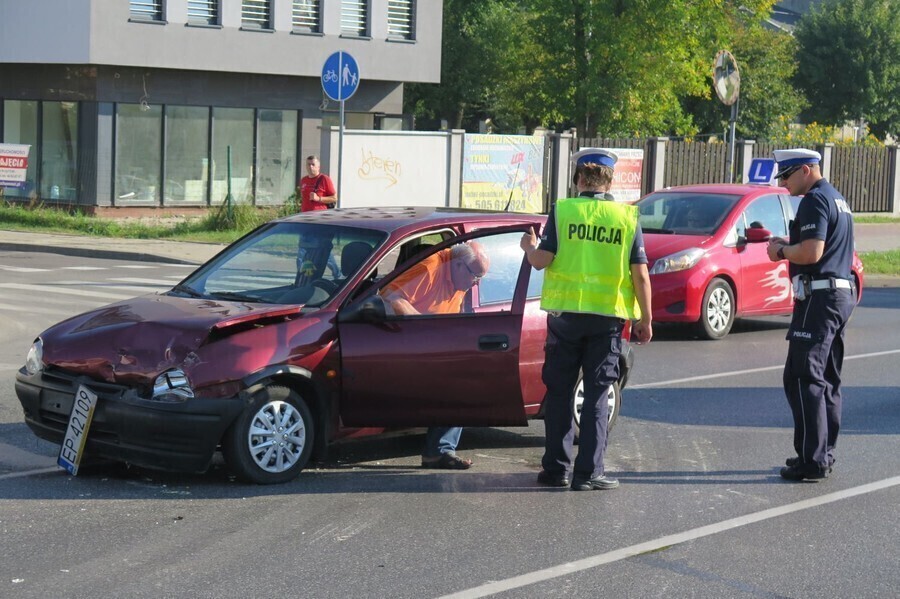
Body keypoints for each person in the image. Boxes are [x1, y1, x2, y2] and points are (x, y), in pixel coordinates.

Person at [520, 148, 652, 491]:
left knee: (560, 393)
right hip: (607, 320)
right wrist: (646, 319)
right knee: (597, 395)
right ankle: (588, 474)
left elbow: (541, 260)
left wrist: (528, 246)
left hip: (565, 319)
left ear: (579, 179)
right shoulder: (626, 217)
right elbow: (640, 275)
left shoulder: (562, 211)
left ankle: (556, 471)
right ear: (610, 181)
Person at [766, 148, 856, 482]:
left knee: (804, 377)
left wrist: (780, 251)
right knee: (827, 378)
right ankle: (821, 453)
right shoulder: (838, 199)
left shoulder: (815, 200)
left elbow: (811, 251)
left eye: (787, 176)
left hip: (820, 297)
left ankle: (812, 460)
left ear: (806, 170)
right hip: (837, 294)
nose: (784, 183)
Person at [380, 241, 490, 469]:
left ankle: (439, 451)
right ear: (459, 265)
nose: (477, 283)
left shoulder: (459, 281)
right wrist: (425, 331)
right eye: (475, 276)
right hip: (406, 345)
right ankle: (439, 451)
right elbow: (390, 296)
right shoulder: (431, 267)